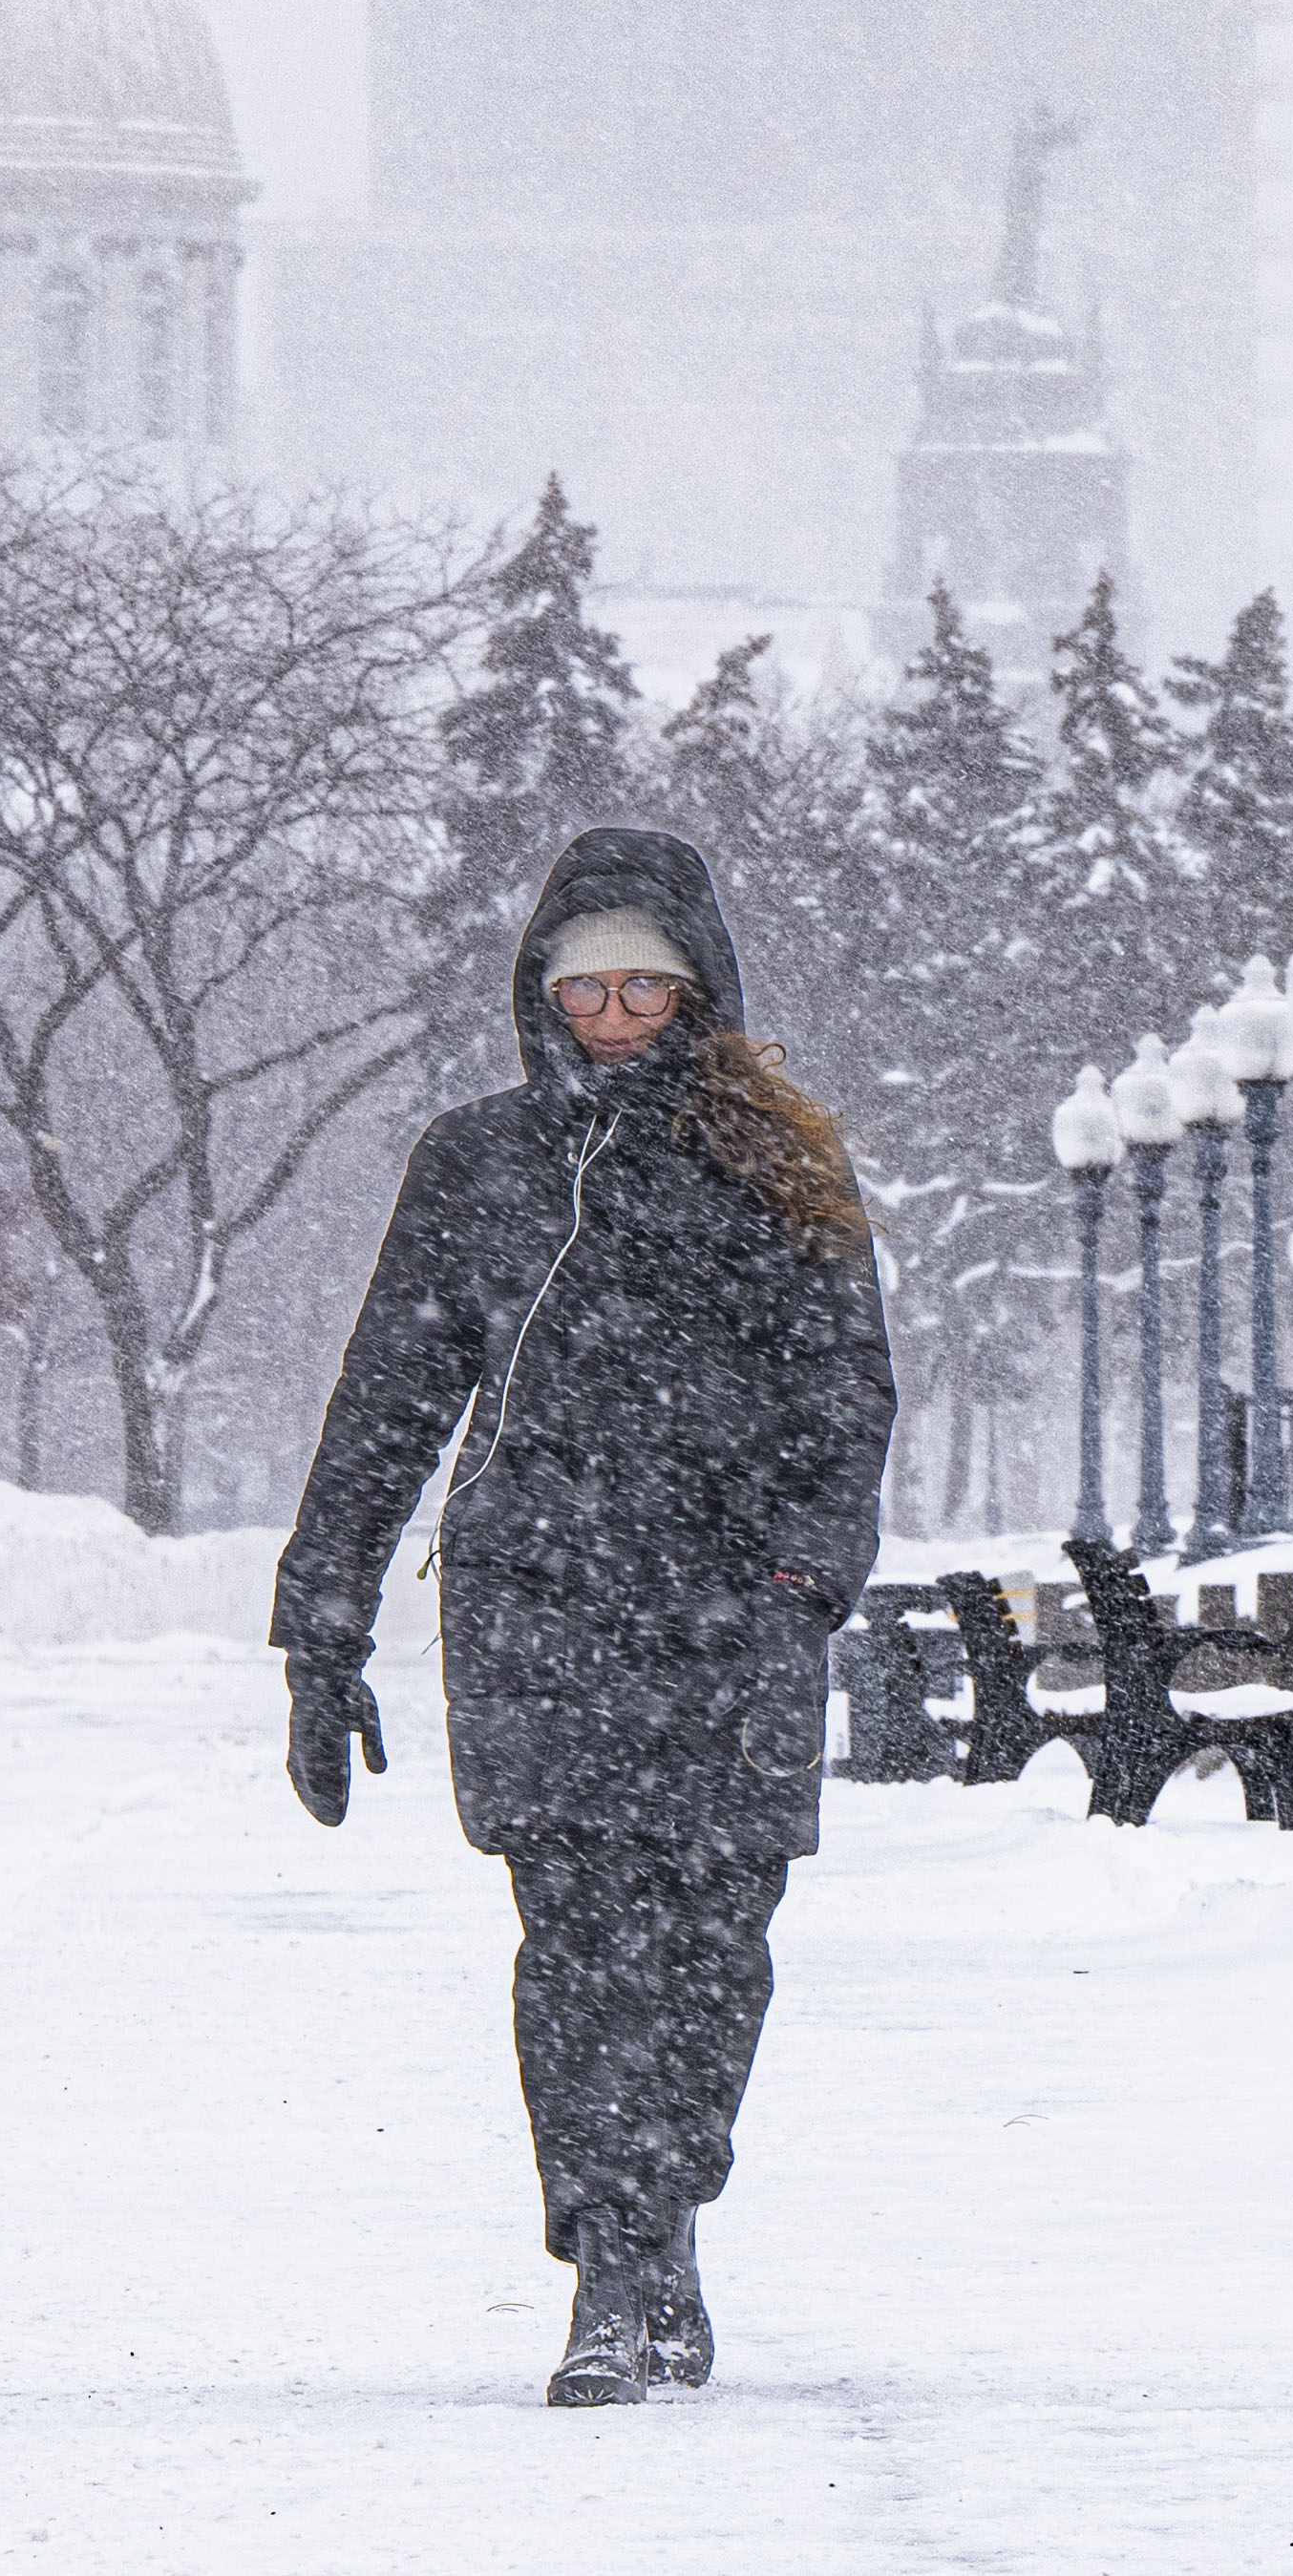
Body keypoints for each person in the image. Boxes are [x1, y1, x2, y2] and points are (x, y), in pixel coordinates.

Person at [274, 822, 896, 2406]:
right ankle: (611, 2270)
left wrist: (799, 1578)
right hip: (540, 1603)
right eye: (584, 988)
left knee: (712, 1949)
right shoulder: (477, 1162)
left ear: (698, 993)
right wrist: (321, 1624)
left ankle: (671, 2217)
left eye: (643, 987)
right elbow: (392, 1396)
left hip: (729, 1613)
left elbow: (844, 1396)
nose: (612, 1015)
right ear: (536, 994)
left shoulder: (782, 1161)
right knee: (579, 1950)